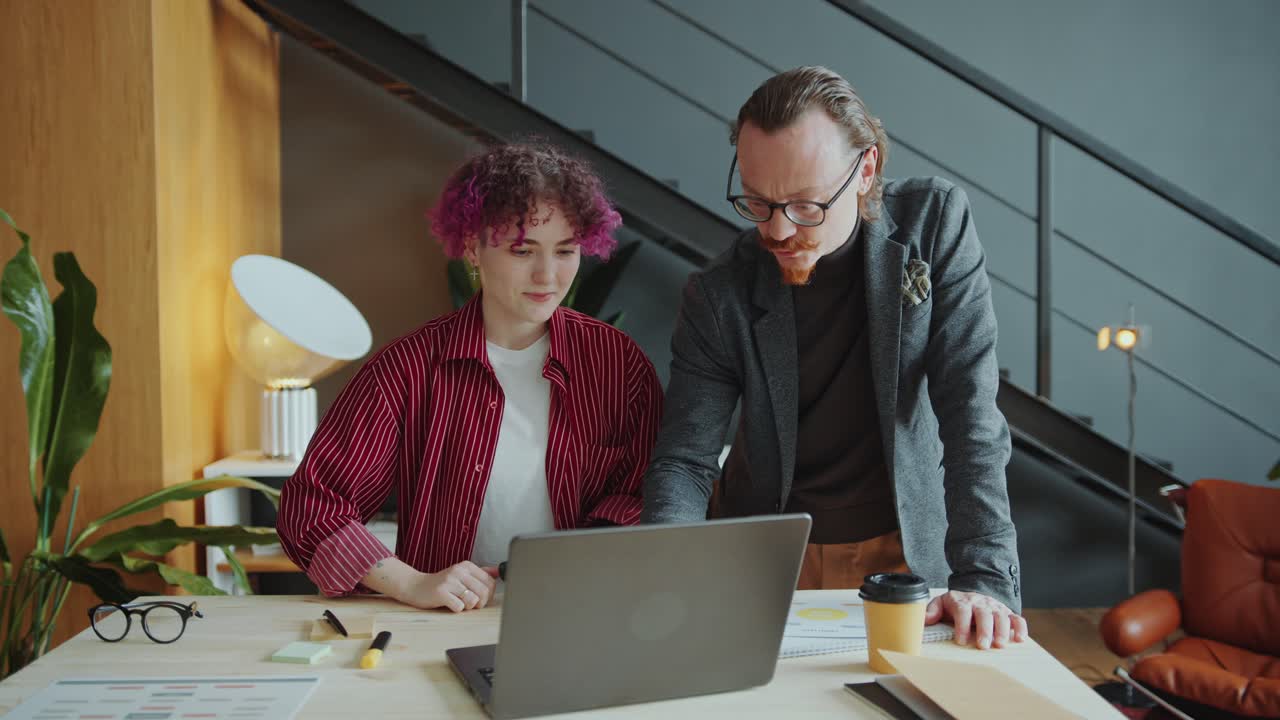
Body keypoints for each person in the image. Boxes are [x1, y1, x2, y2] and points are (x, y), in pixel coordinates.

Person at [642, 66, 1027, 649]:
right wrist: (667, 579)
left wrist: (986, 579)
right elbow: (686, 460)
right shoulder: (719, 293)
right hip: (768, 557)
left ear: (865, 170)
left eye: (804, 205)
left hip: (907, 552)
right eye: (757, 202)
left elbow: (970, 415)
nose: (776, 231)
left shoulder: (934, 223)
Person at [278, 142, 663, 612]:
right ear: (471, 248)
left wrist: (581, 559)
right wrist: (410, 582)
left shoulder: (617, 364)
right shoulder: (409, 368)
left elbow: (649, 493)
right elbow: (311, 508)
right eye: (523, 250)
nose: (548, 275)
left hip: (582, 613)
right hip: (443, 624)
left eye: (565, 250)